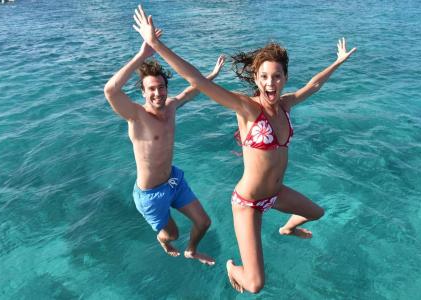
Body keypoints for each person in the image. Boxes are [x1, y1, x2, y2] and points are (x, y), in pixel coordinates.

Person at [133, 4, 356, 292]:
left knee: (317, 212)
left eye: (276, 76)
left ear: (285, 78)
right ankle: (231, 268)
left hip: (275, 195)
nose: (270, 82)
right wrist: (155, 44)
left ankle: (287, 227)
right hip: (248, 203)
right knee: (254, 285)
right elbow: (197, 80)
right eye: (264, 76)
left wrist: (337, 62)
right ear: (256, 80)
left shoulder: (286, 105)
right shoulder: (247, 108)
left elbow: (313, 86)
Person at [103, 26, 226, 266]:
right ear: (143, 92)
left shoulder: (171, 106)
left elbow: (191, 91)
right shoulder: (135, 116)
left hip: (173, 181)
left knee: (204, 223)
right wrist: (142, 55)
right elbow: (110, 90)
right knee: (172, 234)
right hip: (150, 195)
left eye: (161, 87)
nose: (158, 93)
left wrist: (211, 75)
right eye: (152, 89)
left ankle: (192, 250)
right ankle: (164, 241)